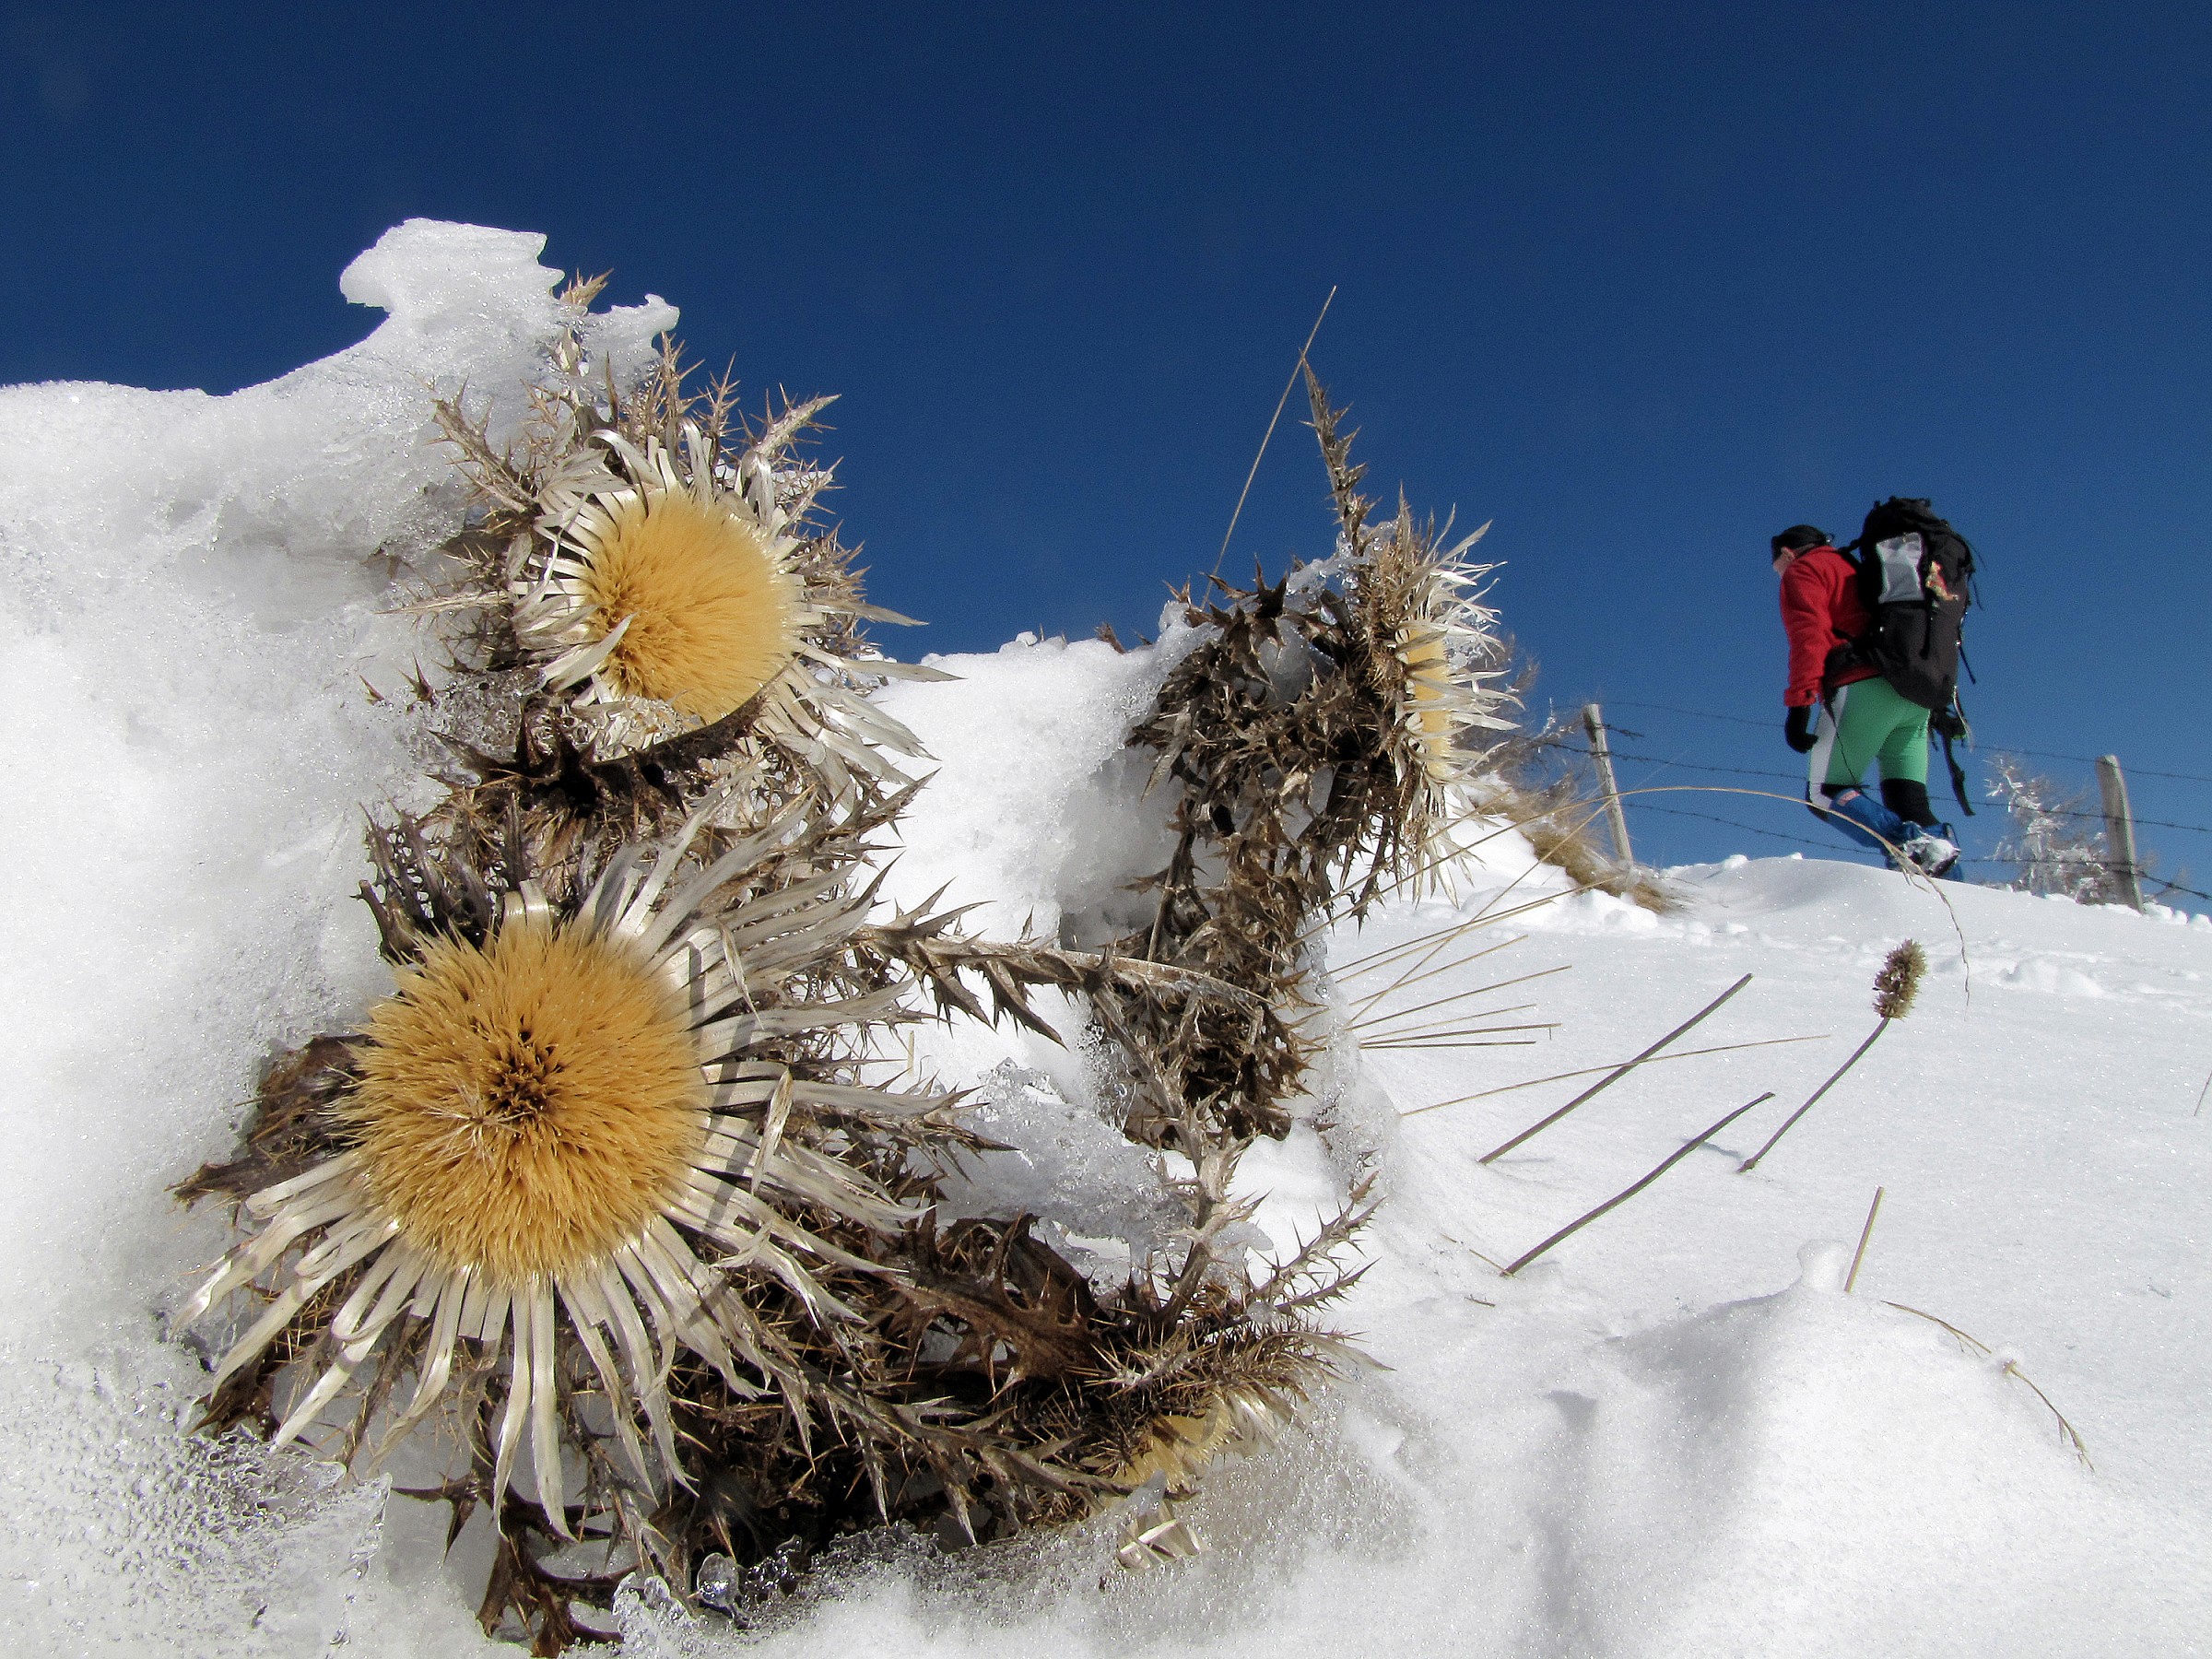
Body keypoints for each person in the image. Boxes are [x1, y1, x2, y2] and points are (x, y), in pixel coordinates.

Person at [1771, 524, 1961, 877]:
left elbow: (1809, 637)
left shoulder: (1804, 569)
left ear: (1786, 553)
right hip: (1911, 693)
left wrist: (1799, 706)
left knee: (1824, 793)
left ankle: (1909, 844)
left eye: (1777, 567)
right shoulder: (1857, 566)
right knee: (1911, 804)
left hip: (1862, 689)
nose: (1779, 574)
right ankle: (1959, 892)